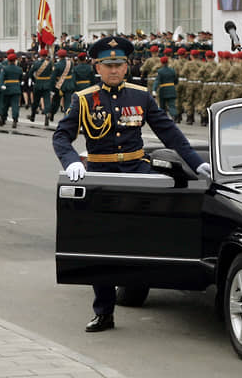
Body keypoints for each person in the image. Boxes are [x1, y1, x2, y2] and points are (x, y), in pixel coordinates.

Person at [53, 36, 210, 333]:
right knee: (101, 244)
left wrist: (195, 162)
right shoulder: (84, 99)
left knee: (156, 228)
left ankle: (166, 284)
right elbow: (61, 136)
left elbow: (170, 133)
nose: (114, 70)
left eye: (119, 65)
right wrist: (72, 160)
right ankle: (103, 312)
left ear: (127, 66)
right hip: (103, 175)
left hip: (138, 172)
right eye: (108, 65)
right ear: (97, 67)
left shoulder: (141, 96)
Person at [0, 53, 24, 128]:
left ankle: (3, 119)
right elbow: (21, 78)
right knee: (15, 105)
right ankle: (15, 119)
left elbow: (1, 78)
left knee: (5, 105)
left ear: (8, 60)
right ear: (15, 60)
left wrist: (1, 85)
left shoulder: (5, 68)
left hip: (7, 88)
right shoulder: (19, 69)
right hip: (16, 88)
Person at [29, 49, 54, 125]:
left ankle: (33, 115)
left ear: (40, 55)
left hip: (38, 84)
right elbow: (52, 73)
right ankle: (46, 115)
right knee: (47, 101)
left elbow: (30, 73)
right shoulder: (50, 63)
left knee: (36, 101)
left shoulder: (36, 63)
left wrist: (34, 80)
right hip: (47, 84)